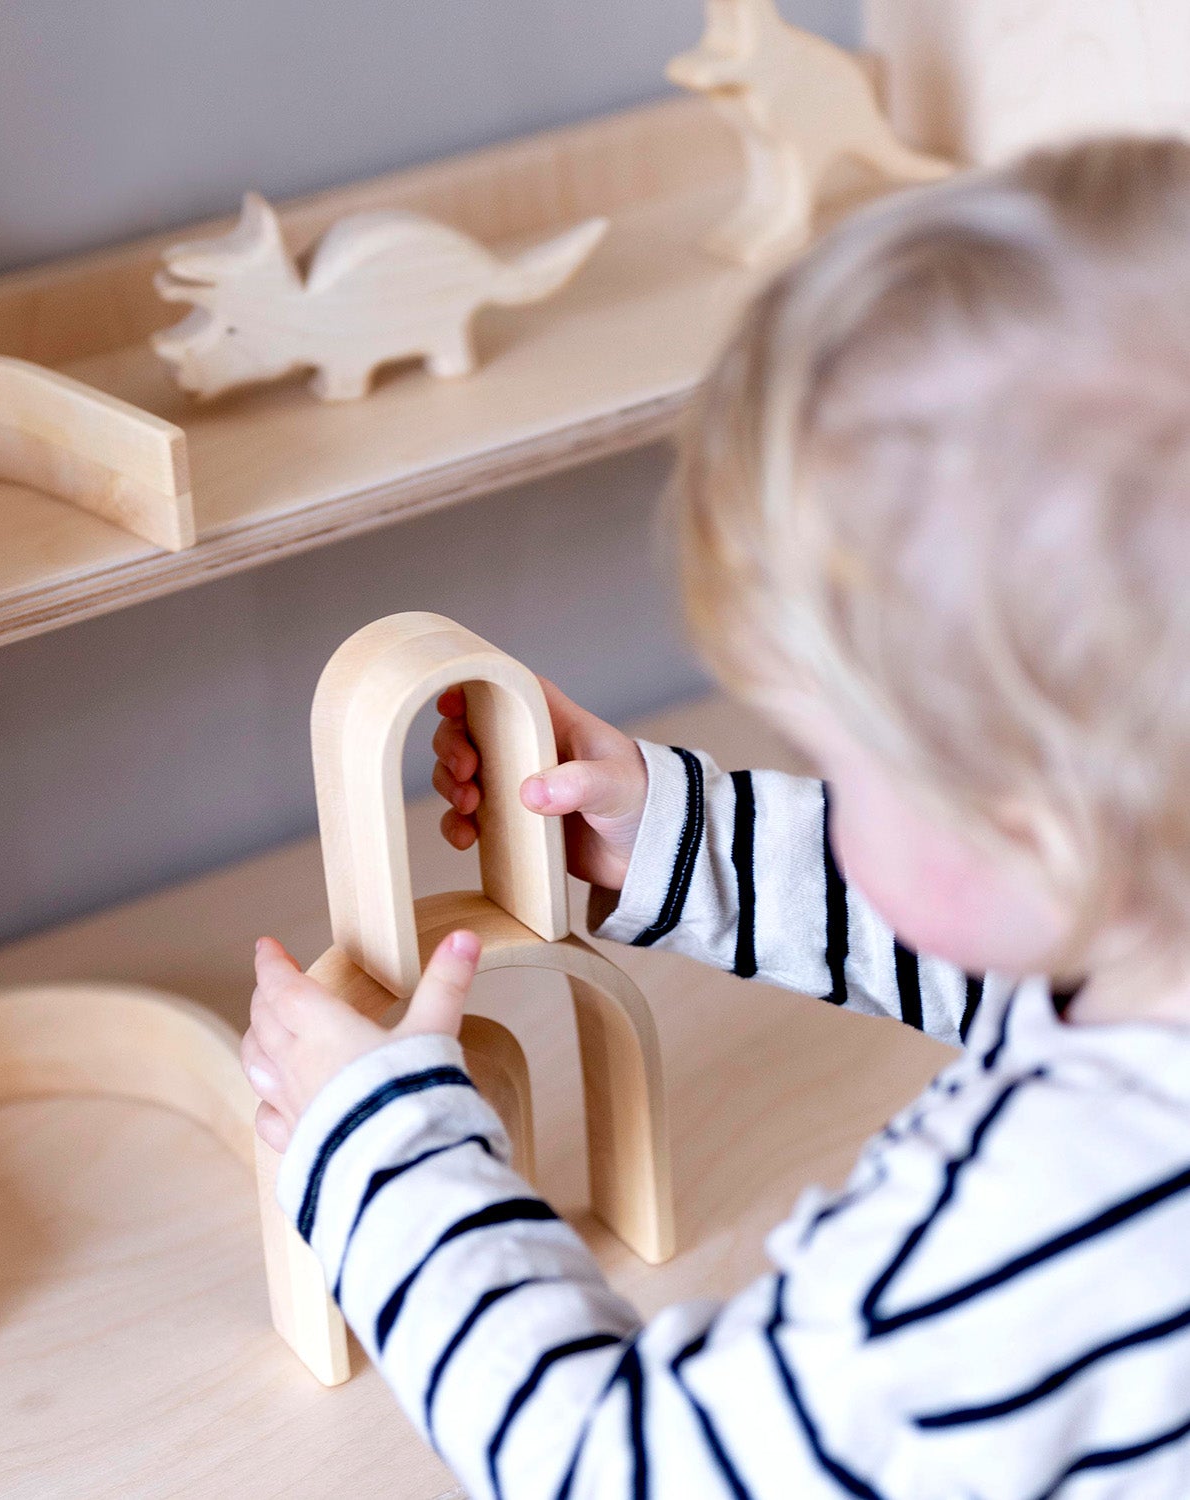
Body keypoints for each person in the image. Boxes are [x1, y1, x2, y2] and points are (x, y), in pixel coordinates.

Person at [241, 138, 1190, 1496]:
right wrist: (680, 844)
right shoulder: (1148, 916)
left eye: (840, 760)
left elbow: (632, 1469)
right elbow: (1044, 958)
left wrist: (384, 1160)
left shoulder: (996, 1263)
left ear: (1032, 821)